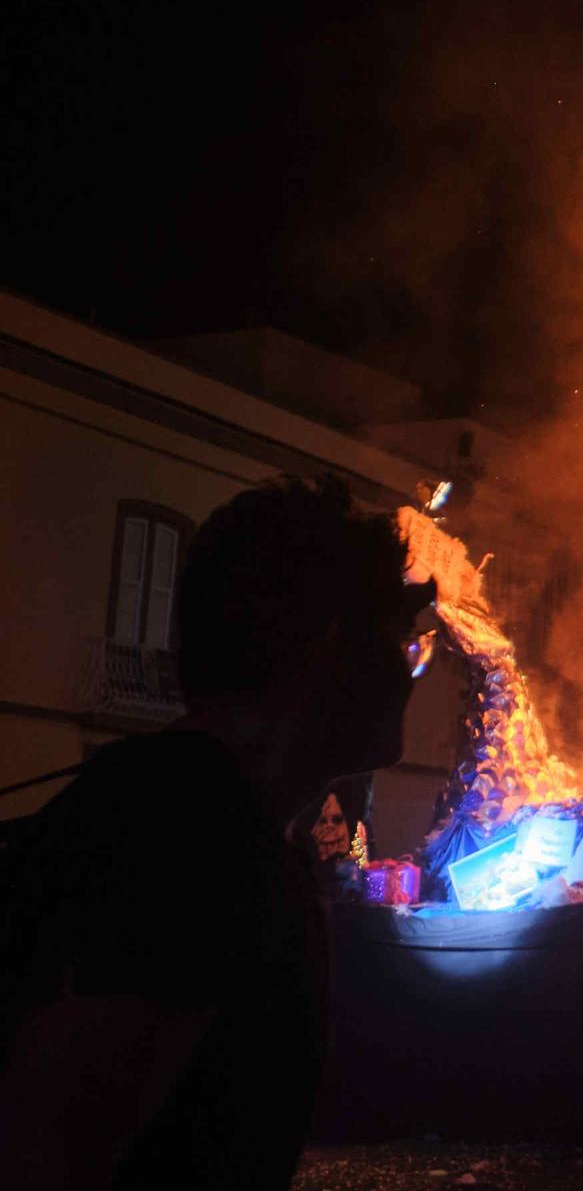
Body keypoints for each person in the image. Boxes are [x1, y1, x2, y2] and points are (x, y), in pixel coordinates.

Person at [0, 476, 432, 1190]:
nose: (408, 670)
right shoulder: (190, 833)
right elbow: (48, 1144)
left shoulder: (214, 820)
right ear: (332, 644)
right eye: (394, 638)